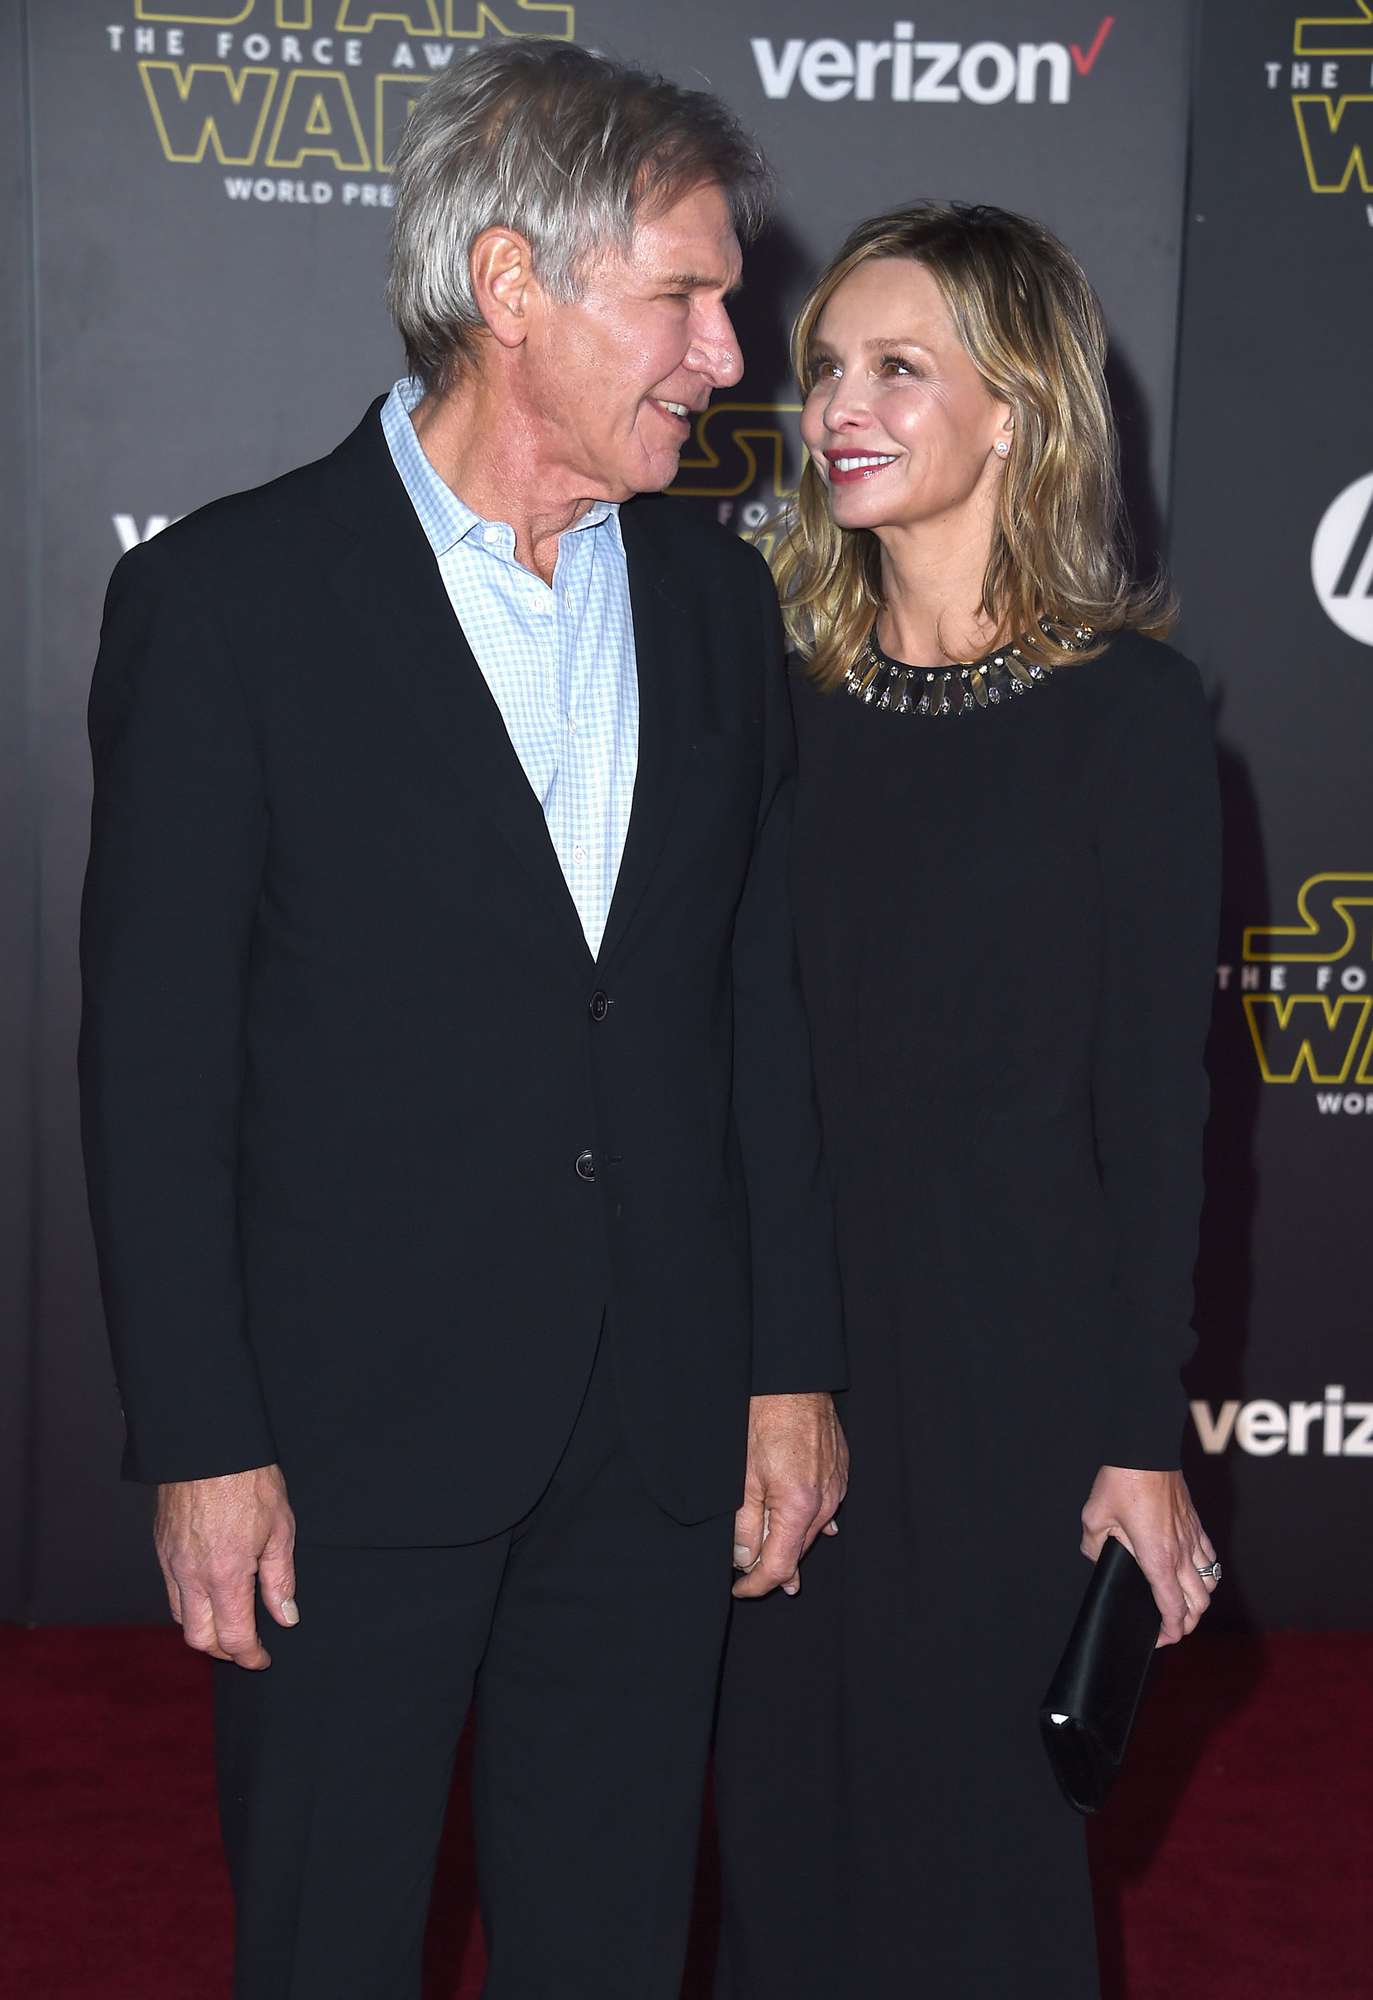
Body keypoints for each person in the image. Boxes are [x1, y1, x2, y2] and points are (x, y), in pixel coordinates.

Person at [79, 43, 846, 2000]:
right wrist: (203, 1439)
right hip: (347, 1438)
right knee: (328, 1941)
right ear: (515, 289)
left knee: (608, 1941)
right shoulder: (233, 603)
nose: (729, 346)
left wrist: (783, 1363)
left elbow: (748, 1005)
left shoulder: (714, 607)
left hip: (658, 1423)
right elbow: (155, 1063)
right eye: (679, 293)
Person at [713, 202, 1221, 1999]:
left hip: (1016, 1380)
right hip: (779, 1353)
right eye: (826, 368)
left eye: (897, 367)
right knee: (777, 1841)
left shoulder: (1137, 726)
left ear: (1017, 408)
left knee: (987, 1856)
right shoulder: (757, 705)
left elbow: (1158, 1120)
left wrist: (1137, 1438)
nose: (839, 403)